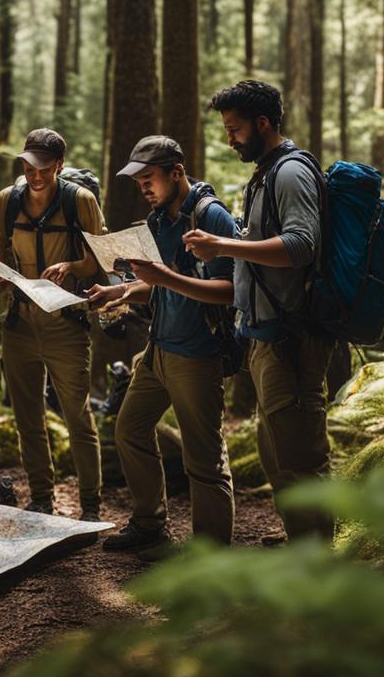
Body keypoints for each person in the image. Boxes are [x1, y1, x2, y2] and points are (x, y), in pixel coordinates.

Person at [184, 80, 336, 543]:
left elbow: (300, 246)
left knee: (299, 456)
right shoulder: (266, 173)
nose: (229, 139)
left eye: (234, 129)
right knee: (275, 451)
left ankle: (314, 561)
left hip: (293, 339)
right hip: (266, 337)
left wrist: (223, 244)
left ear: (263, 123)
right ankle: (299, 540)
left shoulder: (289, 173)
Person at [88, 135, 239, 559]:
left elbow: (229, 291)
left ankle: (210, 553)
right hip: (157, 350)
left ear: (177, 172)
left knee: (204, 460)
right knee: (129, 428)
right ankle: (149, 524)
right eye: (138, 182)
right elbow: (155, 287)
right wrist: (117, 292)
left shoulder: (212, 218)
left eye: (149, 178)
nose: (144, 188)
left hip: (198, 353)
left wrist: (161, 279)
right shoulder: (157, 220)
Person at [0, 129, 104, 520]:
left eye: (44, 169)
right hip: (19, 320)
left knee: (77, 414)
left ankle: (89, 506)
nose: (35, 176)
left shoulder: (79, 201)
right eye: (29, 167)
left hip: (66, 321)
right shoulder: (7, 200)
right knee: (27, 416)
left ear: (60, 167)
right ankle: (41, 497)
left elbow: (102, 259)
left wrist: (71, 266)